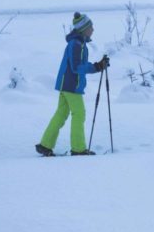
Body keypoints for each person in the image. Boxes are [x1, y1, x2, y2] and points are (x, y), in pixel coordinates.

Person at [36, 12, 109, 157]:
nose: (93, 29)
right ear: (84, 29)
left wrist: (98, 65)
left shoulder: (77, 43)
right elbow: (77, 67)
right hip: (71, 85)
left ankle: (45, 145)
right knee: (79, 114)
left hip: (66, 84)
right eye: (91, 26)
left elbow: (78, 65)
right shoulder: (77, 45)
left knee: (61, 114)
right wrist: (97, 67)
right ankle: (78, 149)